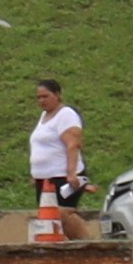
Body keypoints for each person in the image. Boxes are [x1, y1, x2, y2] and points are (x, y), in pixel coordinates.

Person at [28, 78, 85, 239]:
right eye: (38, 97)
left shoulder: (66, 115)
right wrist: (36, 174)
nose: (41, 101)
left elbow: (73, 144)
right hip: (45, 180)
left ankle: (84, 242)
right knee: (50, 215)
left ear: (57, 95)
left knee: (64, 212)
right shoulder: (44, 116)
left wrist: (71, 173)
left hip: (63, 176)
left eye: (45, 96)